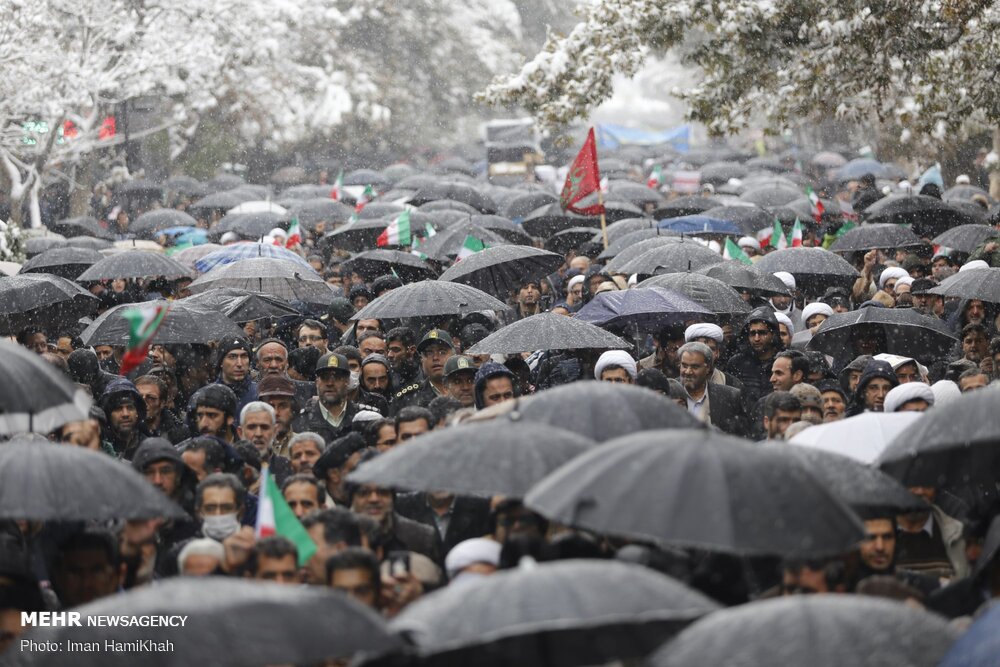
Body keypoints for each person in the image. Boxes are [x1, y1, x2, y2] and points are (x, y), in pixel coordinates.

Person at [676, 342, 748, 436]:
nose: (688, 371)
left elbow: (739, 437)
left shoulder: (730, 397)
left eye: (695, 367)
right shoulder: (668, 392)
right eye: (684, 366)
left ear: (708, 368)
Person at [293, 352, 361, 444]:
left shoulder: (362, 418)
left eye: (336, 377)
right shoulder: (299, 421)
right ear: (317, 382)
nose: (330, 383)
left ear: (347, 381)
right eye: (324, 377)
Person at [727, 307, 783, 406]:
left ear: (773, 334)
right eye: (752, 333)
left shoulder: (784, 361)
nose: (756, 338)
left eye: (762, 333)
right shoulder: (737, 362)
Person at [392, 329, 455, 413]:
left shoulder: (469, 389)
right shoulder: (407, 398)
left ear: (454, 355)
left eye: (442, 352)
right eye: (429, 353)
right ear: (422, 360)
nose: (435, 357)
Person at [99, 377, 150, 460]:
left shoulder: (148, 448)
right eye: (118, 408)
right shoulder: (98, 447)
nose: (125, 414)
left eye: (130, 408)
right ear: (108, 414)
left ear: (138, 411)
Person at [213, 337, 257, 421]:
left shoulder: (260, 394)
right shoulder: (205, 396)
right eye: (232, 356)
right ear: (221, 362)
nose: (239, 363)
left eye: (244, 356)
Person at [135, 374, 188, 444]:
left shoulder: (180, 433)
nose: (143, 403)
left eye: (151, 398)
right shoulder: (126, 431)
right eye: (139, 398)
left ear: (162, 403)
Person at [257, 374, 298, 458]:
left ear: (292, 410)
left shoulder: (304, 445)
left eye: (282, 406)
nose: (276, 412)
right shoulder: (249, 447)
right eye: (270, 406)